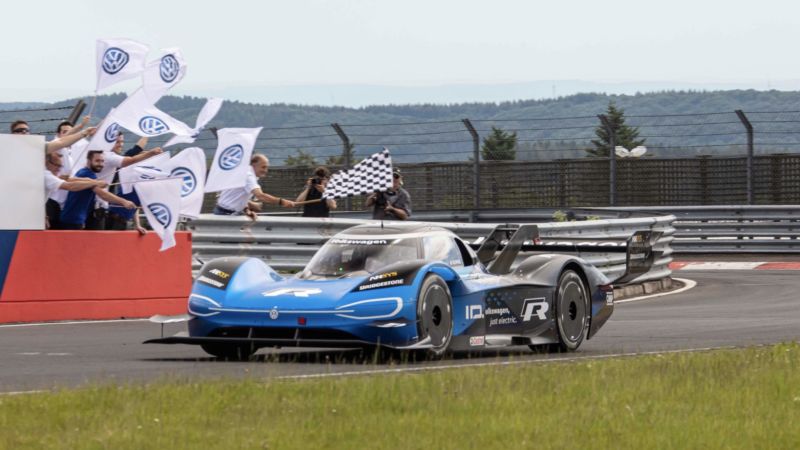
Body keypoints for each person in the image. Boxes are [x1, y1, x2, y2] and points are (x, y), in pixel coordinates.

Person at [85, 133, 163, 230]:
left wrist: (137, 224)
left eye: (122, 142)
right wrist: (151, 152)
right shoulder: (110, 158)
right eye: (117, 142)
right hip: (103, 210)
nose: (121, 144)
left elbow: (135, 205)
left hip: (104, 208)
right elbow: (131, 157)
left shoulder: (142, 180)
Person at [59, 151, 136, 230]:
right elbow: (103, 195)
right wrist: (124, 202)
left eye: (102, 161)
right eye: (97, 161)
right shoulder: (87, 174)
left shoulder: (83, 172)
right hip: (73, 220)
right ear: (89, 161)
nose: (101, 164)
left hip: (74, 218)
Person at [214, 154, 296, 218]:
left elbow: (239, 197)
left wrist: (246, 210)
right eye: (263, 167)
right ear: (253, 165)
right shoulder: (248, 176)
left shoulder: (246, 173)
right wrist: (282, 202)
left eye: (266, 167)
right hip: (226, 213)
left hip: (227, 212)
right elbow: (261, 196)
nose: (265, 170)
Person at [44, 152, 106, 229]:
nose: (59, 169)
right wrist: (95, 182)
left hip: (62, 212)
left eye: (60, 166)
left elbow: (68, 179)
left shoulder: (82, 171)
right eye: (56, 165)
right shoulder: (46, 175)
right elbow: (71, 186)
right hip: (65, 214)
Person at [10, 120, 97, 154]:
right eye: (20, 130)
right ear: (13, 134)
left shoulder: (37, 148)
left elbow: (61, 142)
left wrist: (85, 132)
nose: (24, 132)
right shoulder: (5, 149)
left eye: (26, 130)